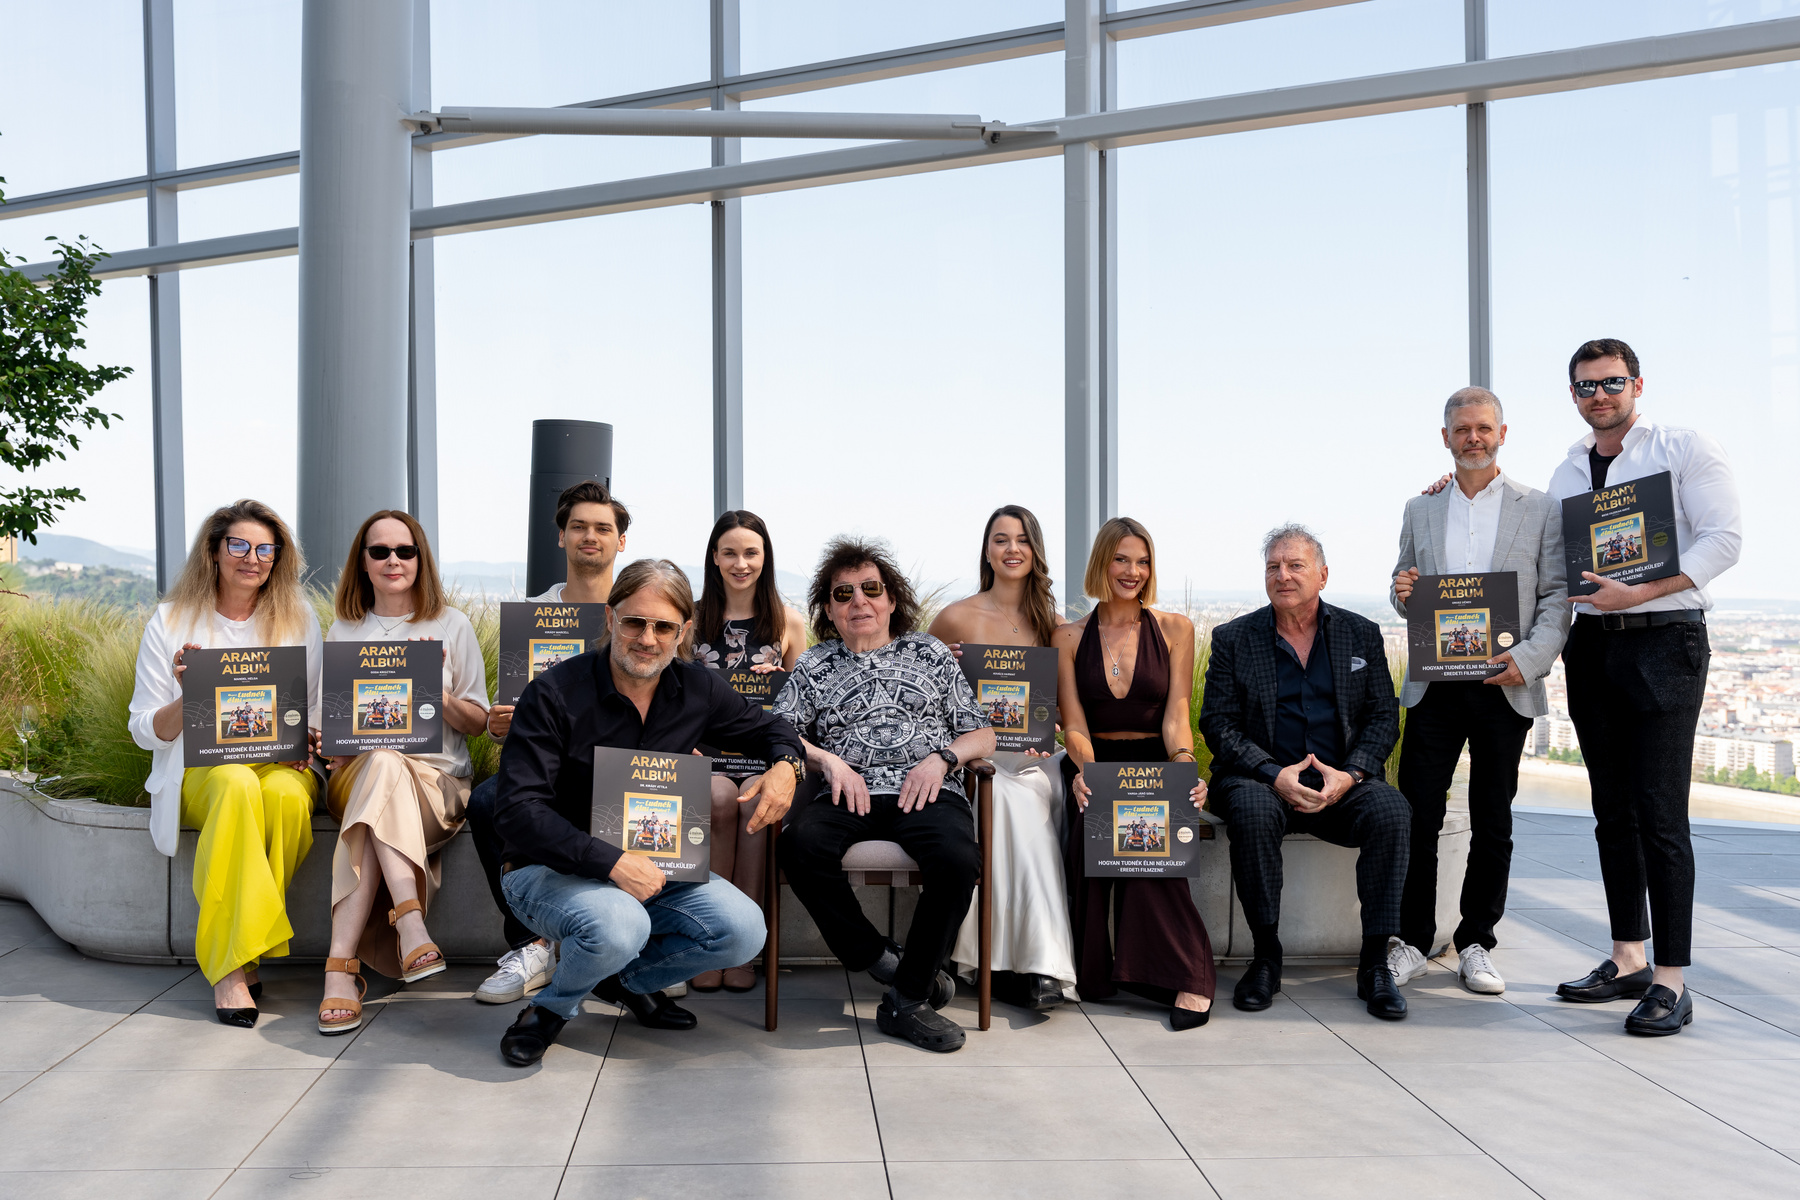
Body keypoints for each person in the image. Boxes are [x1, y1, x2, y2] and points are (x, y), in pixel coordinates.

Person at [488, 559, 804, 1066]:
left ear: (684, 632)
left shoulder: (697, 688)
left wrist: (787, 767)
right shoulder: (553, 693)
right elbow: (518, 812)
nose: (647, 639)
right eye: (635, 622)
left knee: (744, 931)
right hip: (547, 871)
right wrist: (610, 862)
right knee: (619, 924)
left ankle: (621, 982)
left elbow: (772, 729)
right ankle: (548, 1011)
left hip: (657, 868)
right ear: (611, 619)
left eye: (663, 627)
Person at [1547, 339, 1741, 1036]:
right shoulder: (1569, 468)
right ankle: (1627, 956)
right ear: (1573, 395)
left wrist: (1643, 592)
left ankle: (1672, 979)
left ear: (1636, 384)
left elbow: (1724, 539)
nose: (1599, 395)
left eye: (1611, 382)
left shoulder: (1683, 447)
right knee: (1612, 810)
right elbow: (1549, 558)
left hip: (1666, 641)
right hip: (1593, 646)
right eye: (1585, 387)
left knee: (1661, 815)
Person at [775, 537, 996, 1053]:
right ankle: (880, 959)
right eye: (843, 593)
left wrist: (943, 759)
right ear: (829, 608)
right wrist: (827, 761)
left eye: (871, 588)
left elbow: (982, 733)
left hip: (926, 789)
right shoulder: (813, 665)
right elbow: (778, 732)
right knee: (800, 846)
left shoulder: (931, 653)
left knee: (958, 858)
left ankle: (907, 998)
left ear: (892, 599)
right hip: (847, 792)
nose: (859, 601)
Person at [1389, 387, 1571, 996]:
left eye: (1483, 428)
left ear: (1502, 433)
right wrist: (1402, 588)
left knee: (1494, 819)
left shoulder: (1540, 508)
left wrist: (1528, 660)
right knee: (1418, 813)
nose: (1473, 437)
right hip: (1435, 686)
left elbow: (1555, 598)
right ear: (1446, 438)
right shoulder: (1421, 508)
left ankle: (1476, 943)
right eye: (1462, 429)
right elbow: (1404, 589)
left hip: (1505, 685)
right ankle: (1412, 940)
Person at [1200, 524, 1411, 1021]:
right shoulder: (1234, 638)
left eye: (1295, 565)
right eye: (1273, 566)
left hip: (1341, 783)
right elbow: (1219, 724)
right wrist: (1273, 774)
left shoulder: (1362, 633)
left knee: (1393, 812)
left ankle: (1375, 963)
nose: (1283, 575)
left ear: (1323, 575)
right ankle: (1266, 956)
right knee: (1250, 811)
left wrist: (1353, 774)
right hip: (1261, 781)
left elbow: (1384, 717)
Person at [128, 500, 322, 1028]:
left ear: (278, 557)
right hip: (198, 771)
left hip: (279, 764)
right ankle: (229, 970)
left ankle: (242, 948)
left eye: (265, 548)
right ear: (214, 552)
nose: (252, 558)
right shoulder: (171, 621)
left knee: (283, 797)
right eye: (238, 545)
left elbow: (316, 708)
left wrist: (312, 734)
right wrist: (187, 697)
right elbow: (143, 727)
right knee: (235, 782)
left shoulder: (299, 618)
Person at [317, 511, 490, 1036]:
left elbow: (480, 722)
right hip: (357, 776)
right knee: (383, 762)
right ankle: (410, 922)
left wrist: (434, 695)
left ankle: (339, 970)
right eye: (380, 551)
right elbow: (331, 722)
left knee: (384, 782)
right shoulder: (344, 628)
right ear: (363, 563)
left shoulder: (452, 625)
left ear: (420, 560)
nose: (394, 560)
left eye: (405, 550)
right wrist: (333, 744)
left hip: (437, 786)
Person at [468, 481, 629, 1005]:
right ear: (560, 537)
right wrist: (498, 724)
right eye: (579, 526)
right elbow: (506, 718)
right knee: (490, 800)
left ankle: (635, 947)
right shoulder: (529, 617)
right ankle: (532, 944)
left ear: (620, 542)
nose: (591, 537)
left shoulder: (637, 613)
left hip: (616, 770)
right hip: (546, 770)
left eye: (603, 528)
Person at [1053, 517, 1214, 1031]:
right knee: (1093, 830)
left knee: (1152, 842)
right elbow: (1073, 724)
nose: (1132, 571)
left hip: (1155, 764)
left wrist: (1185, 766)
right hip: (1093, 764)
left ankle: (1189, 976)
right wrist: (1091, 776)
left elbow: (1176, 714)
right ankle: (1099, 975)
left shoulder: (1174, 629)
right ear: (1102, 562)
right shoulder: (1068, 636)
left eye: (1142, 561)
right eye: (1121, 559)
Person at [928, 505, 1078, 1014]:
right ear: (987, 549)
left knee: (1024, 789)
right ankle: (1032, 965)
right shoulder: (955, 617)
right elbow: (921, 702)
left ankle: (1019, 961)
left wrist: (1052, 723)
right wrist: (940, 669)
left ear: (1035, 552)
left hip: (1037, 760)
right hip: (975, 762)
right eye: (1000, 539)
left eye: (1022, 540)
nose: (1012, 549)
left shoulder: (1055, 626)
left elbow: (1063, 710)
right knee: (1005, 795)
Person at [688, 510, 809, 993]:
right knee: (717, 799)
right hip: (704, 755)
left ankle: (745, 949)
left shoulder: (788, 622)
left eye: (751, 553)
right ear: (714, 558)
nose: (741, 563)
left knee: (760, 807)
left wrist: (780, 684)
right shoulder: (690, 620)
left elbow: (801, 708)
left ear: (766, 557)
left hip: (765, 758)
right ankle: (710, 940)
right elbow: (671, 696)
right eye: (731, 552)